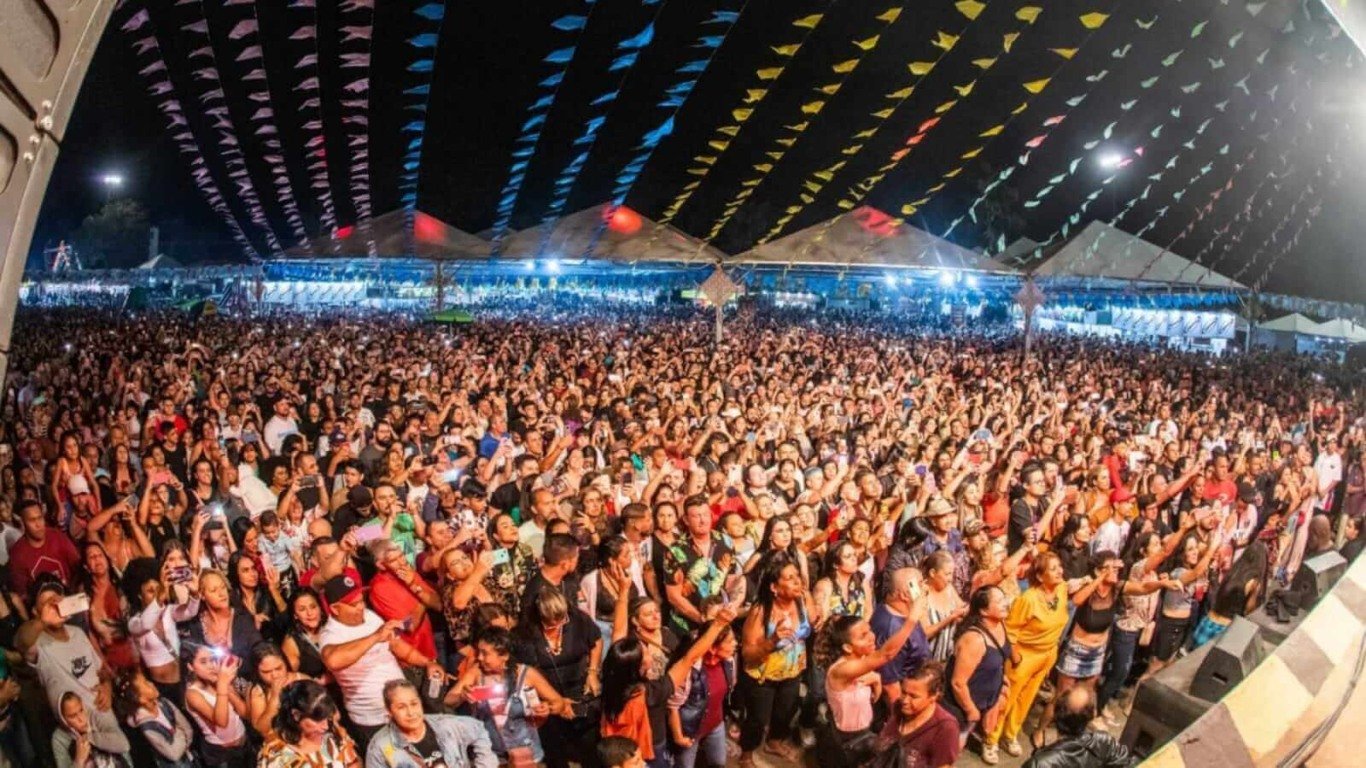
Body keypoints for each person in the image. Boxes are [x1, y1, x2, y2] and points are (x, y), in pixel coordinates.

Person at [317, 574, 441, 750]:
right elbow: (333, 660)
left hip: (403, 708)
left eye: (361, 600)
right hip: (374, 722)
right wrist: (375, 637)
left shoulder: (370, 617)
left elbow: (396, 645)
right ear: (335, 609)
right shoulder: (330, 634)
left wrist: (427, 663)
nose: (361, 607)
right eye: (353, 604)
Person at [985, 551, 1069, 758]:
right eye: (1053, 568)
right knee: (1008, 699)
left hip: (1046, 654)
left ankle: (1010, 734)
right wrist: (1015, 658)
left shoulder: (1061, 589)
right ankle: (991, 739)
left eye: (1059, 566)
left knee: (1026, 699)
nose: (1059, 571)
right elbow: (1010, 631)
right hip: (1024, 656)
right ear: (1040, 576)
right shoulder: (1028, 599)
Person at [738, 561, 814, 767]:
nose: (797, 581)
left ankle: (773, 742)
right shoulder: (760, 611)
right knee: (758, 719)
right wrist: (772, 641)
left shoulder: (801, 601)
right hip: (763, 676)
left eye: (797, 576)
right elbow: (748, 654)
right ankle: (746, 754)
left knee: (785, 712)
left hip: (793, 671)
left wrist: (810, 599)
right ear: (774, 587)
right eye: (790, 578)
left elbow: (813, 620)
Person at [943, 587, 1011, 763]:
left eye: (1004, 598)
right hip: (959, 708)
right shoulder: (974, 639)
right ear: (983, 611)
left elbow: (995, 659)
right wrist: (971, 710)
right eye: (999, 601)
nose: (1005, 603)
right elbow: (958, 683)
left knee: (960, 743)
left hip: (979, 704)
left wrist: (1000, 680)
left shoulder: (1000, 623)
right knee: (949, 750)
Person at [364, 679, 498, 768]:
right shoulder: (380, 746)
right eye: (401, 707)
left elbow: (478, 729)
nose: (411, 712)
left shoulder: (445, 724)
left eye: (414, 704)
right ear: (389, 711)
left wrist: (485, 764)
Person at [257, 679, 361, 768]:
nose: (325, 726)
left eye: (327, 718)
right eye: (318, 721)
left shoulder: (333, 734)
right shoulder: (276, 754)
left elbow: (354, 763)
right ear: (296, 715)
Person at [1022, 687, 1134, 768]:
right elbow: (1126, 763)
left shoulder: (1040, 764)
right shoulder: (1105, 742)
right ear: (1092, 716)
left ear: (1055, 714)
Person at [875, 662, 960, 768]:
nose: (905, 701)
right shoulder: (898, 708)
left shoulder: (945, 728)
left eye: (913, 696)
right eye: (903, 692)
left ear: (934, 696)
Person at [182, 644, 250, 768]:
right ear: (190, 666)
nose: (211, 666)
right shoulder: (192, 694)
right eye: (203, 662)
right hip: (222, 755)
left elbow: (244, 712)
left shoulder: (217, 681)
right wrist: (222, 684)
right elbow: (221, 722)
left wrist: (224, 684)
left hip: (244, 743)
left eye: (213, 659)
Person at [114, 669, 194, 768]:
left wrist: (184, 745)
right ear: (141, 699)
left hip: (189, 757)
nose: (151, 683)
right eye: (146, 684)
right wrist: (180, 733)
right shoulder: (148, 727)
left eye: (148, 681)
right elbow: (173, 754)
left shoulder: (164, 703)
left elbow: (188, 729)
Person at [52, 690, 132, 768]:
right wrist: (79, 760)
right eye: (73, 716)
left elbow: (124, 746)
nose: (81, 719)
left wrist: (88, 737)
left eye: (81, 710)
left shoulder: (97, 716)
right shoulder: (59, 738)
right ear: (63, 719)